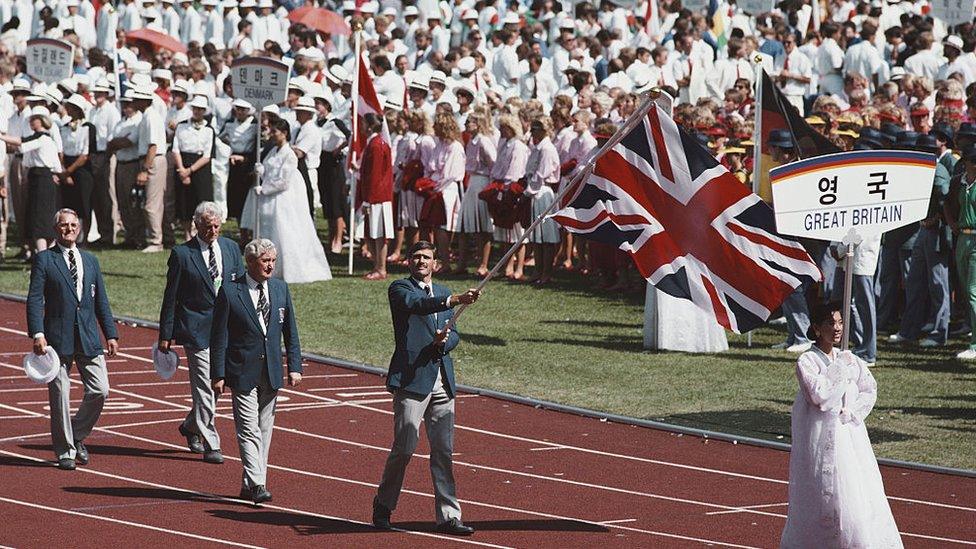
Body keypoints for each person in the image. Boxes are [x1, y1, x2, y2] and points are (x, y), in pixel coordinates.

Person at [373, 241, 480, 535]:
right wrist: (455, 300)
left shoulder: (444, 292)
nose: (421, 261)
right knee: (405, 448)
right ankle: (383, 505)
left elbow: (455, 334)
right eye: (416, 257)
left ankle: (448, 515)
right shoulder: (400, 289)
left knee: (443, 452)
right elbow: (416, 306)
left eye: (427, 257)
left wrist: (445, 342)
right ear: (408, 261)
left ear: (435, 263)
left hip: (442, 382)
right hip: (412, 381)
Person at [780, 302, 902, 547]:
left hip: (849, 438)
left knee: (854, 493)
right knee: (821, 493)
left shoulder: (849, 359)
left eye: (840, 322)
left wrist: (853, 412)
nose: (837, 328)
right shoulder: (807, 362)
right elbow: (819, 396)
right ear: (816, 328)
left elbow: (869, 389)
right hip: (818, 434)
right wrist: (838, 370)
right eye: (830, 323)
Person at [210, 238, 302, 504]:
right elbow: (219, 337)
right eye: (265, 261)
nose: (270, 266)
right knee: (248, 429)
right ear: (250, 262)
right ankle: (259, 483)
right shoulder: (229, 291)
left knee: (264, 430)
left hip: (271, 371)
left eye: (273, 261)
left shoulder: (280, 289)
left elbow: (290, 332)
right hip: (242, 371)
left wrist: (294, 366)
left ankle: (248, 482)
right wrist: (218, 374)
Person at [26, 208, 119, 470]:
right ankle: (65, 450)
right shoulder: (45, 260)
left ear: (80, 228)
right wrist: (38, 333)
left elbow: (100, 300)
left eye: (73, 225)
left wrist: (110, 333)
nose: (69, 229)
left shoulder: (90, 260)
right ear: (56, 229)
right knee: (60, 394)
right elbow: (34, 299)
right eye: (64, 225)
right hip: (57, 338)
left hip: (88, 335)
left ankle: (76, 434)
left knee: (101, 390)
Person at [158, 201, 244, 465]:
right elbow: (171, 296)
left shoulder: (230, 248)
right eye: (208, 227)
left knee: (218, 384)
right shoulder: (183, 255)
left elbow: (240, 288)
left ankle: (191, 425)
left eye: (217, 226)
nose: (213, 231)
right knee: (205, 385)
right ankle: (212, 441)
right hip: (197, 329)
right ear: (196, 226)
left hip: (226, 329)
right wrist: (166, 333)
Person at [241, 118, 331, 283]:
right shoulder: (273, 150)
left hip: (282, 198)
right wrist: (260, 170)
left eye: (275, 131)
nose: (272, 134)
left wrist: (265, 189)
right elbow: (268, 167)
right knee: (269, 229)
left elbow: (284, 181)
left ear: (284, 133)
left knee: (284, 231)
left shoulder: (289, 154)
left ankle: (287, 268)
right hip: (269, 198)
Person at [0, 106, 63, 254]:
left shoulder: (42, 137)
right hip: (38, 178)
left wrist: (2, 136)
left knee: (41, 218)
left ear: (42, 121)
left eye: (34, 119)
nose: (31, 122)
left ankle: (43, 254)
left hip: (42, 179)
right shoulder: (45, 139)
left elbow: (20, 142)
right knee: (40, 216)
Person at [172, 96, 216, 241]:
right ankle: (186, 233)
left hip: (200, 167)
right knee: (184, 201)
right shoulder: (181, 126)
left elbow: (207, 155)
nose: (197, 111)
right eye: (195, 109)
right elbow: (176, 149)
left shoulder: (209, 129)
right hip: (183, 163)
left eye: (200, 109)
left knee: (202, 200)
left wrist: (190, 170)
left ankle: (202, 232)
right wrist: (182, 170)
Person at [358, 113, 394, 280]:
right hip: (374, 195)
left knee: (379, 233)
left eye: (364, 123)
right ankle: (377, 266)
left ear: (370, 126)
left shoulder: (377, 145)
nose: (362, 126)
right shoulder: (374, 143)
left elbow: (375, 175)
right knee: (371, 232)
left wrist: (368, 199)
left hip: (378, 196)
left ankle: (381, 268)